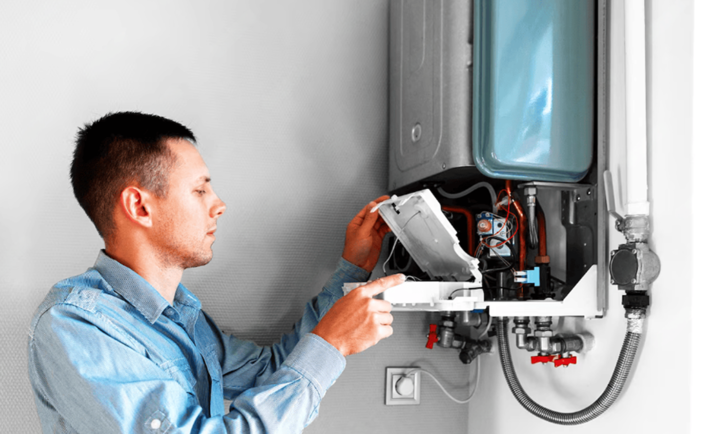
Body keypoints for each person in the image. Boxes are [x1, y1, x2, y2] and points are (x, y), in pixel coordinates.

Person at [27, 111, 405, 433]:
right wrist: (330, 345)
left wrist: (353, 267)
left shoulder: (183, 317)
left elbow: (274, 370)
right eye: (199, 191)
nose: (219, 204)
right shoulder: (76, 325)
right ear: (139, 207)